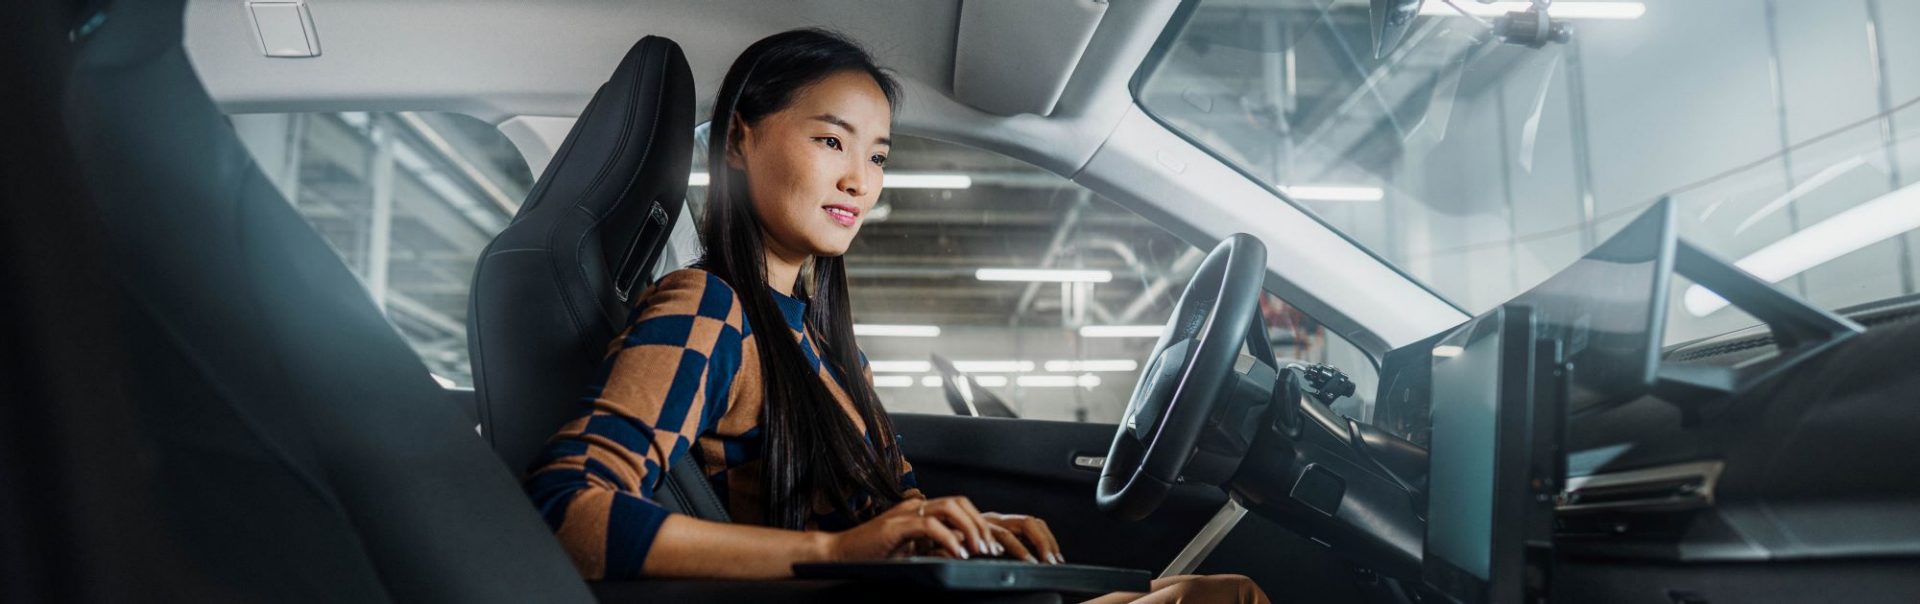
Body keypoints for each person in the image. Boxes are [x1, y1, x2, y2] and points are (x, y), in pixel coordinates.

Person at [524, 28, 1269, 604]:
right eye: (830, 141)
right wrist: (837, 553)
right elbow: (569, 511)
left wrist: (954, 536)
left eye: (878, 157)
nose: (859, 179)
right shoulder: (710, 310)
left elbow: (891, 520)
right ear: (740, 140)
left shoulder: (821, 343)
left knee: (1231, 593)